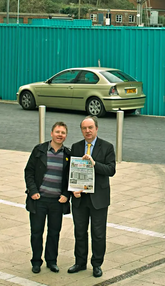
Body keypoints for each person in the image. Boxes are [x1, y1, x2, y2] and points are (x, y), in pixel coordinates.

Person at [68, 116, 116, 278]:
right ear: (81, 130)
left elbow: (111, 170)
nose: (87, 131)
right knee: (80, 232)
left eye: (90, 128)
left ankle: (97, 264)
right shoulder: (75, 147)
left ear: (96, 128)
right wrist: (72, 190)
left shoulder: (107, 147)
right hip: (80, 198)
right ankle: (80, 262)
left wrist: (94, 164)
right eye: (84, 128)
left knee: (98, 233)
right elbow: (70, 171)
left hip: (99, 198)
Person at [24, 122, 71, 274]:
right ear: (51, 133)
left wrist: (66, 194)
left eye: (63, 132)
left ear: (66, 135)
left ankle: (52, 261)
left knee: (54, 232)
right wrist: (32, 190)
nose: (60, 135)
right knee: (36, 232)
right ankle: (36, 261)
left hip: (57, 201)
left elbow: (71, 178)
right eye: (57, 132)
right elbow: (29, 171)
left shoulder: (68, 155)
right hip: (39, 199)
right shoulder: (39, 150)